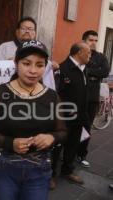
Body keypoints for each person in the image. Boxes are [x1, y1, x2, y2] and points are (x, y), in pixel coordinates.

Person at [0, 40, 66, 200]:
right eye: (26, 63)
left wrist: (51, 137)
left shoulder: (52, 96)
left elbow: (62, 131)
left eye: (39, 65)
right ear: (16, 63)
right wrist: (9, 143)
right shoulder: (0, 92)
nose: (33, 70)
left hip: (40, 170)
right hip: (4, 167)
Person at [51, 42, 91, 189]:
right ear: (79, 52)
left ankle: (67, 171)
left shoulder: (84, 68)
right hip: (64, 118)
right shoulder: (62, 69)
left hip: (80, 116)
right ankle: (50, 175)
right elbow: (55, 94)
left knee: (73, 145)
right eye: (88, 53)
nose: (90, 55)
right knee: (57, 146)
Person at [0, 16, 59, 90]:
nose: (27, 31)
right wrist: (8, 63)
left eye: (30, 29)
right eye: (24, 29)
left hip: (34, 90)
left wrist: (51, 66)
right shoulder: (4, 47)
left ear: (35, 33)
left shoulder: (40, 48)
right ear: (17, 31)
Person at [77, 30, 110, 167]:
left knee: (87, 126)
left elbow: (105, 72)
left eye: (96, 40)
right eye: (91, 40)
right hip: (77, 95)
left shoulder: (101, 57)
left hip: (92, 97)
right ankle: (68, 152)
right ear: (84, 40)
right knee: (72, 125)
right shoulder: (77, 53)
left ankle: (81, 154)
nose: (94, 43)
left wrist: (88, 71)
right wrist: (94, 73)